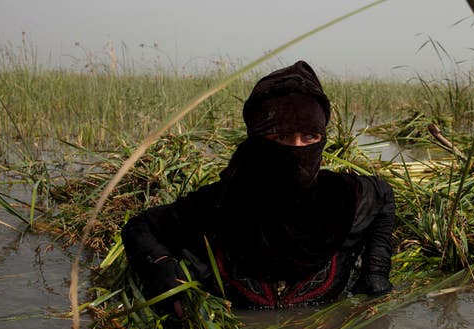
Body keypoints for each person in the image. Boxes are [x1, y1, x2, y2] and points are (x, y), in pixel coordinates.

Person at [121, 61, 395, 311]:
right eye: (283, 136)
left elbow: (384, 195)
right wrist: (160, 267)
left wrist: (376, 271)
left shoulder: (341, 198)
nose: (297, 149)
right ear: (257, 140)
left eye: (309, 136)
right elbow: (139, 227)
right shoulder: (221, 204)